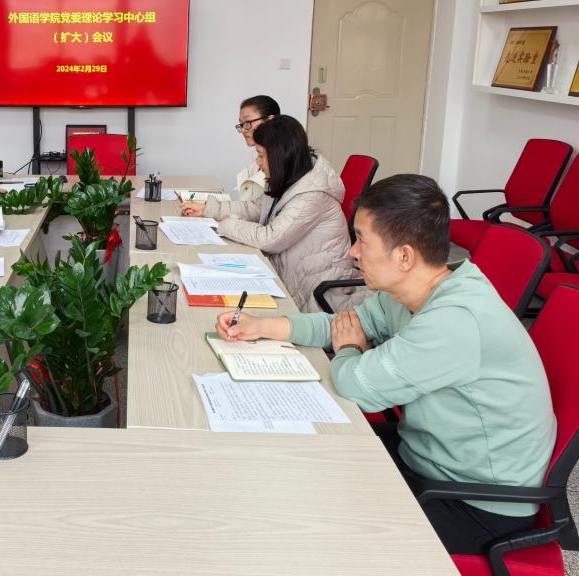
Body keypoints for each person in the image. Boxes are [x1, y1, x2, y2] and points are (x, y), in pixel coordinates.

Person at [214, 174, 554, 556]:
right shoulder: (414, 289)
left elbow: (356, 384)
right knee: (297, 459)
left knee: (312, 525)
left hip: (475, 502)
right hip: (425, 456)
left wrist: (348, 350)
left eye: (362, 240)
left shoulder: (455, 321)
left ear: (404, 256)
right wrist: (262, 326)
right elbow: (342, 325)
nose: (352, 252)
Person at [183, 115, 359, 311]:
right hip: (289, 276)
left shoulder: (312, 194)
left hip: (316, 293)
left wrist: (225, 225)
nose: (258, 163)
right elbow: (255, 208)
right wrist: (210, 209)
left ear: (278, 156)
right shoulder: (290, 174)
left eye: (260, 155)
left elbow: (271, 239)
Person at [233, 94, 280, 201]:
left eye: (247, 122)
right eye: (241, 124)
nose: (243, 130)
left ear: (270, 120)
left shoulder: (283, 160)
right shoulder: (259, 158)